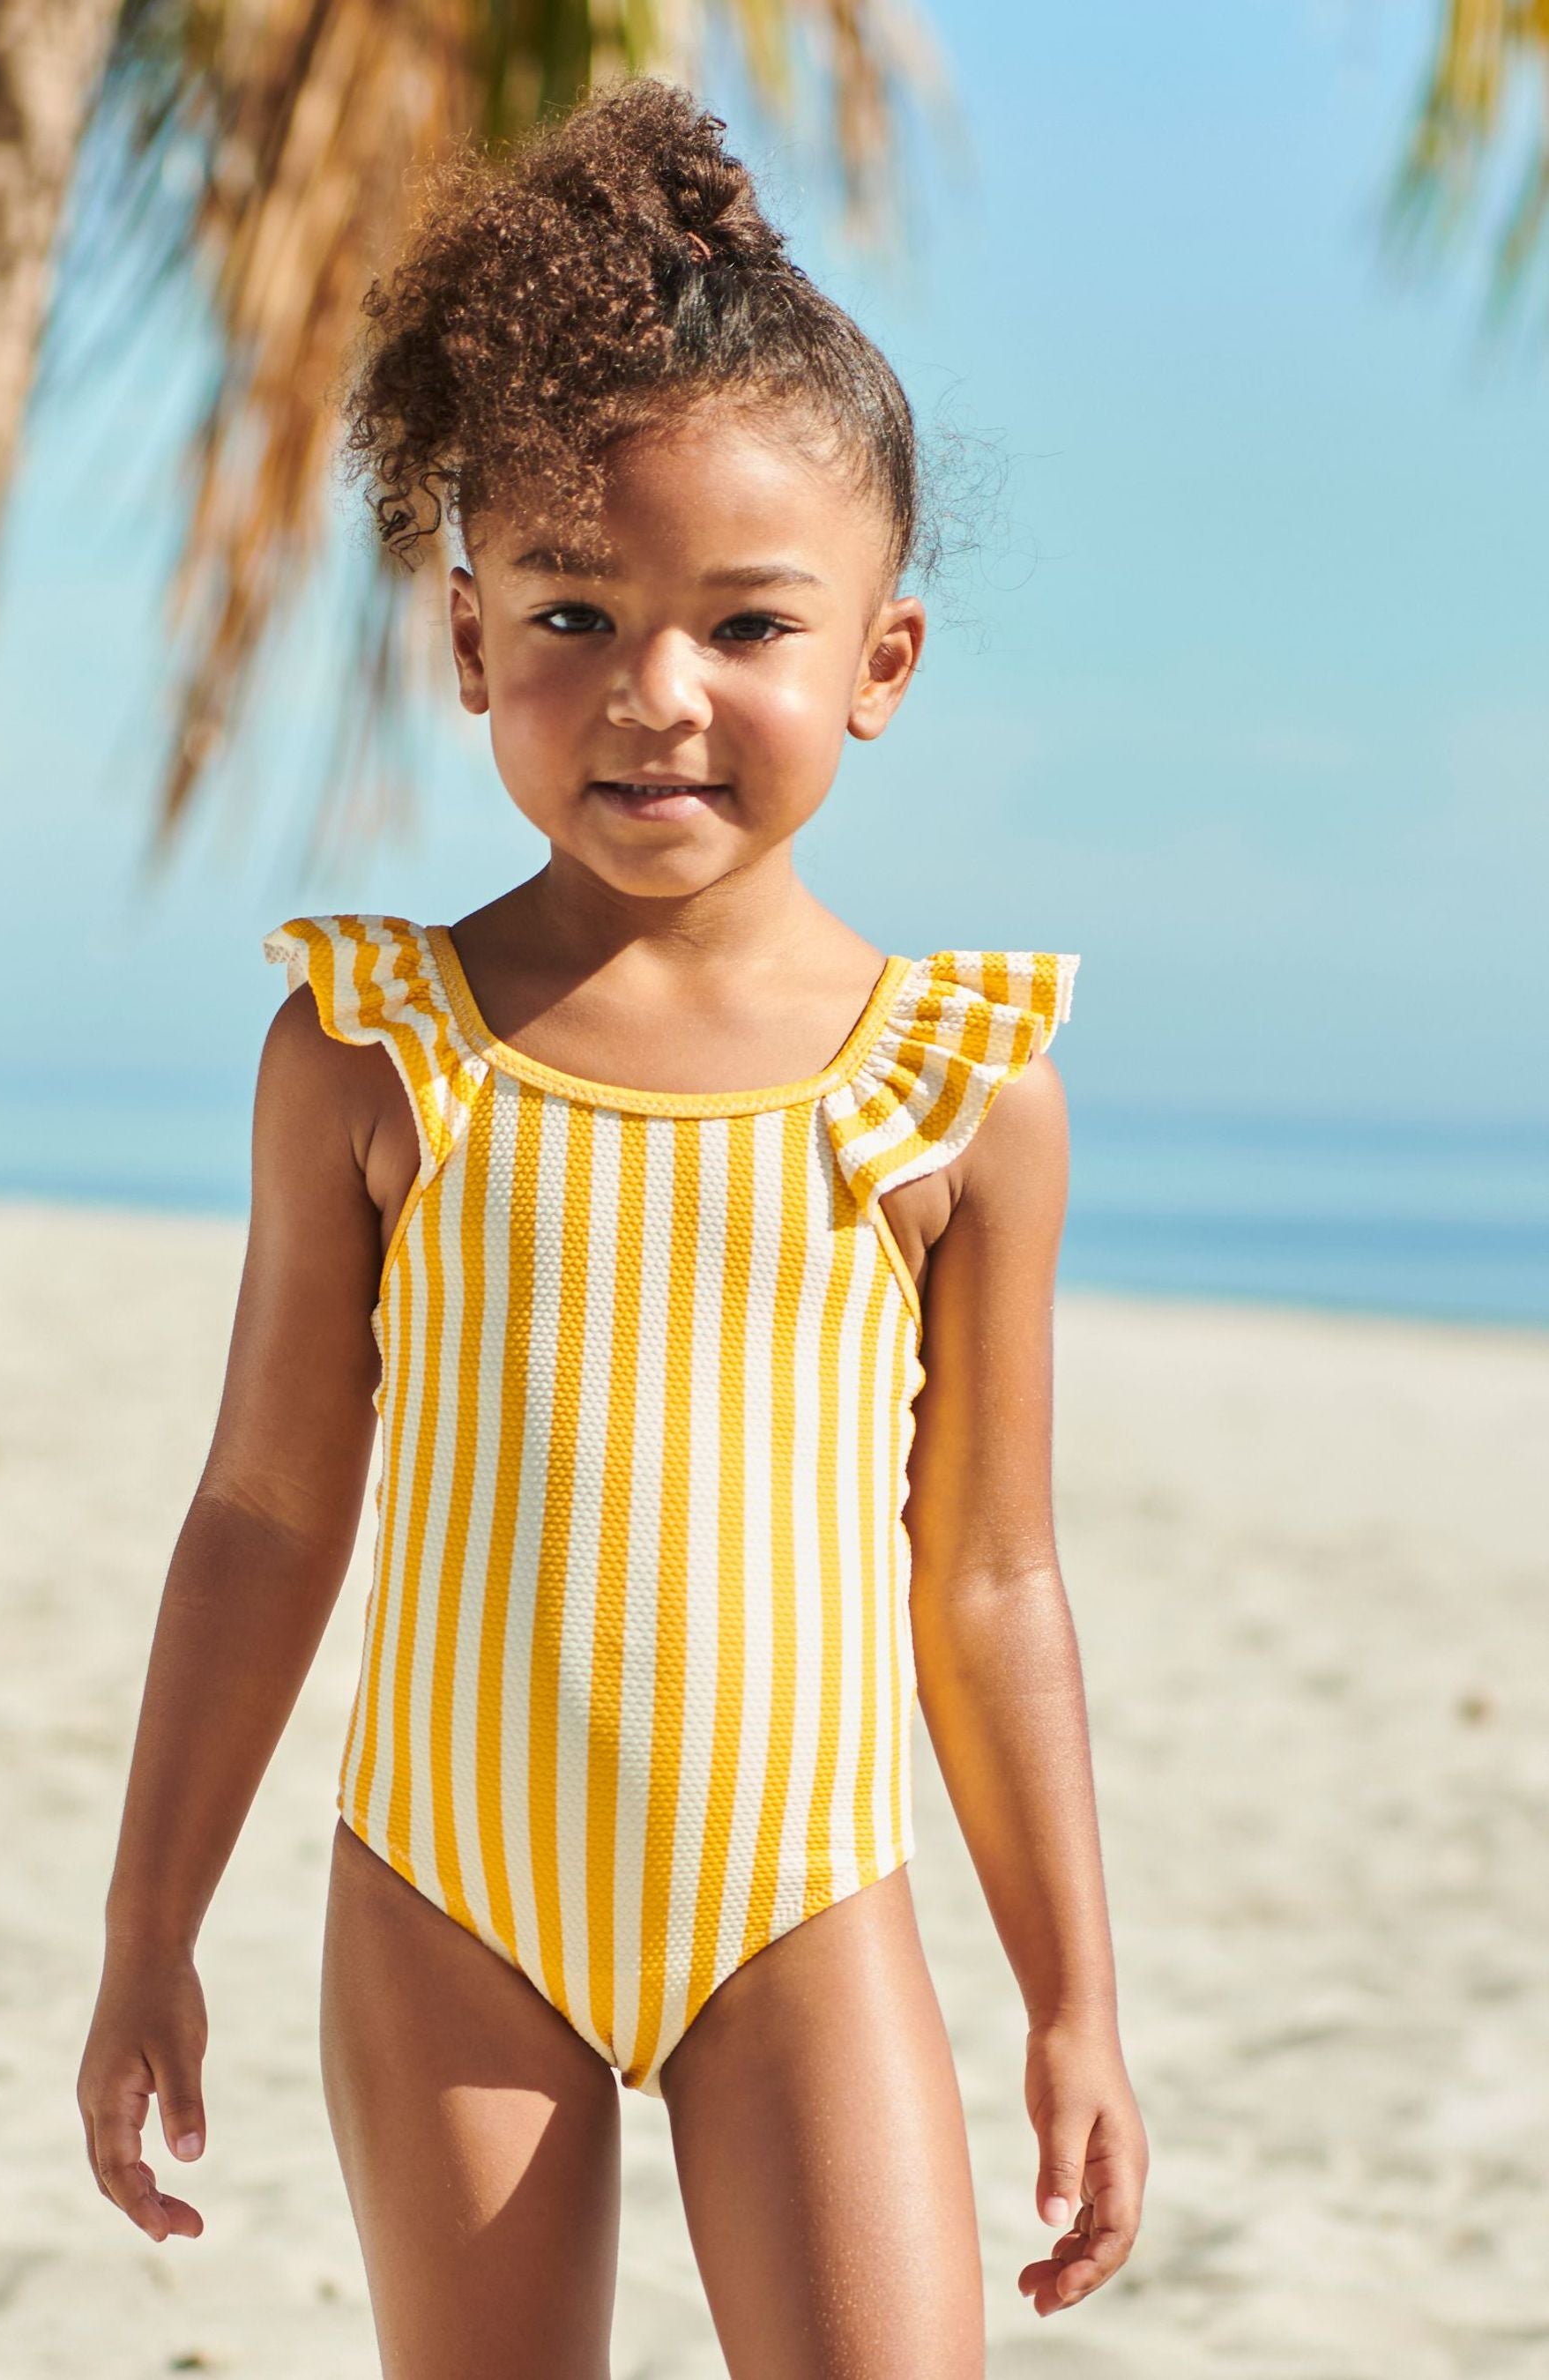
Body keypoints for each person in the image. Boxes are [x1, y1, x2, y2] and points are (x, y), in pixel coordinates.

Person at [77, 78, 1148, 2378]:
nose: (656, 690)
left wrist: (1072, 1992)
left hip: (801, 1901)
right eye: (573, 606)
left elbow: (988, 1576)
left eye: (749, 622)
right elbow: (267, 1509)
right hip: (447, 1905)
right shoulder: (377, 1056)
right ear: (471, 643)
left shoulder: (964, 1095)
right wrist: (147, 1923)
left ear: (880, 662)